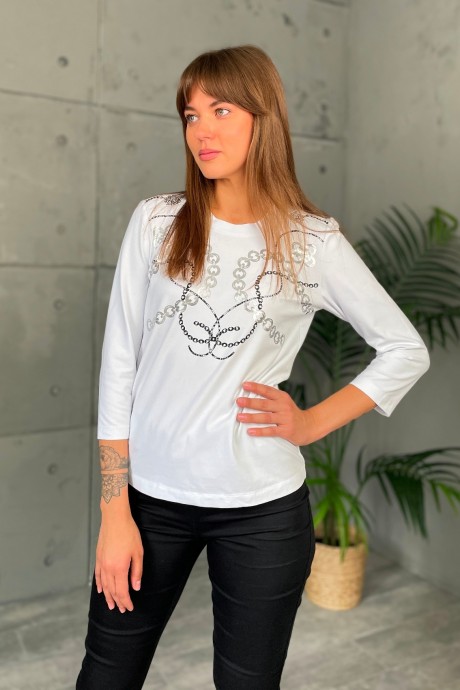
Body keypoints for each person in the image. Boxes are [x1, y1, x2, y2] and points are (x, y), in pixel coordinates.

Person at [76, 45, 430, 690]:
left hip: (262, 511)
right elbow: (118, 366)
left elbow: (405, 348)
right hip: (148, 502)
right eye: (190, 115)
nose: (201, 131)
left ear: (263, 118)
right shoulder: (158, 221)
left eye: (221, 110)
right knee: (107, 674)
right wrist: (114, 512)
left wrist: (311, 422)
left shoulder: (310, 241)